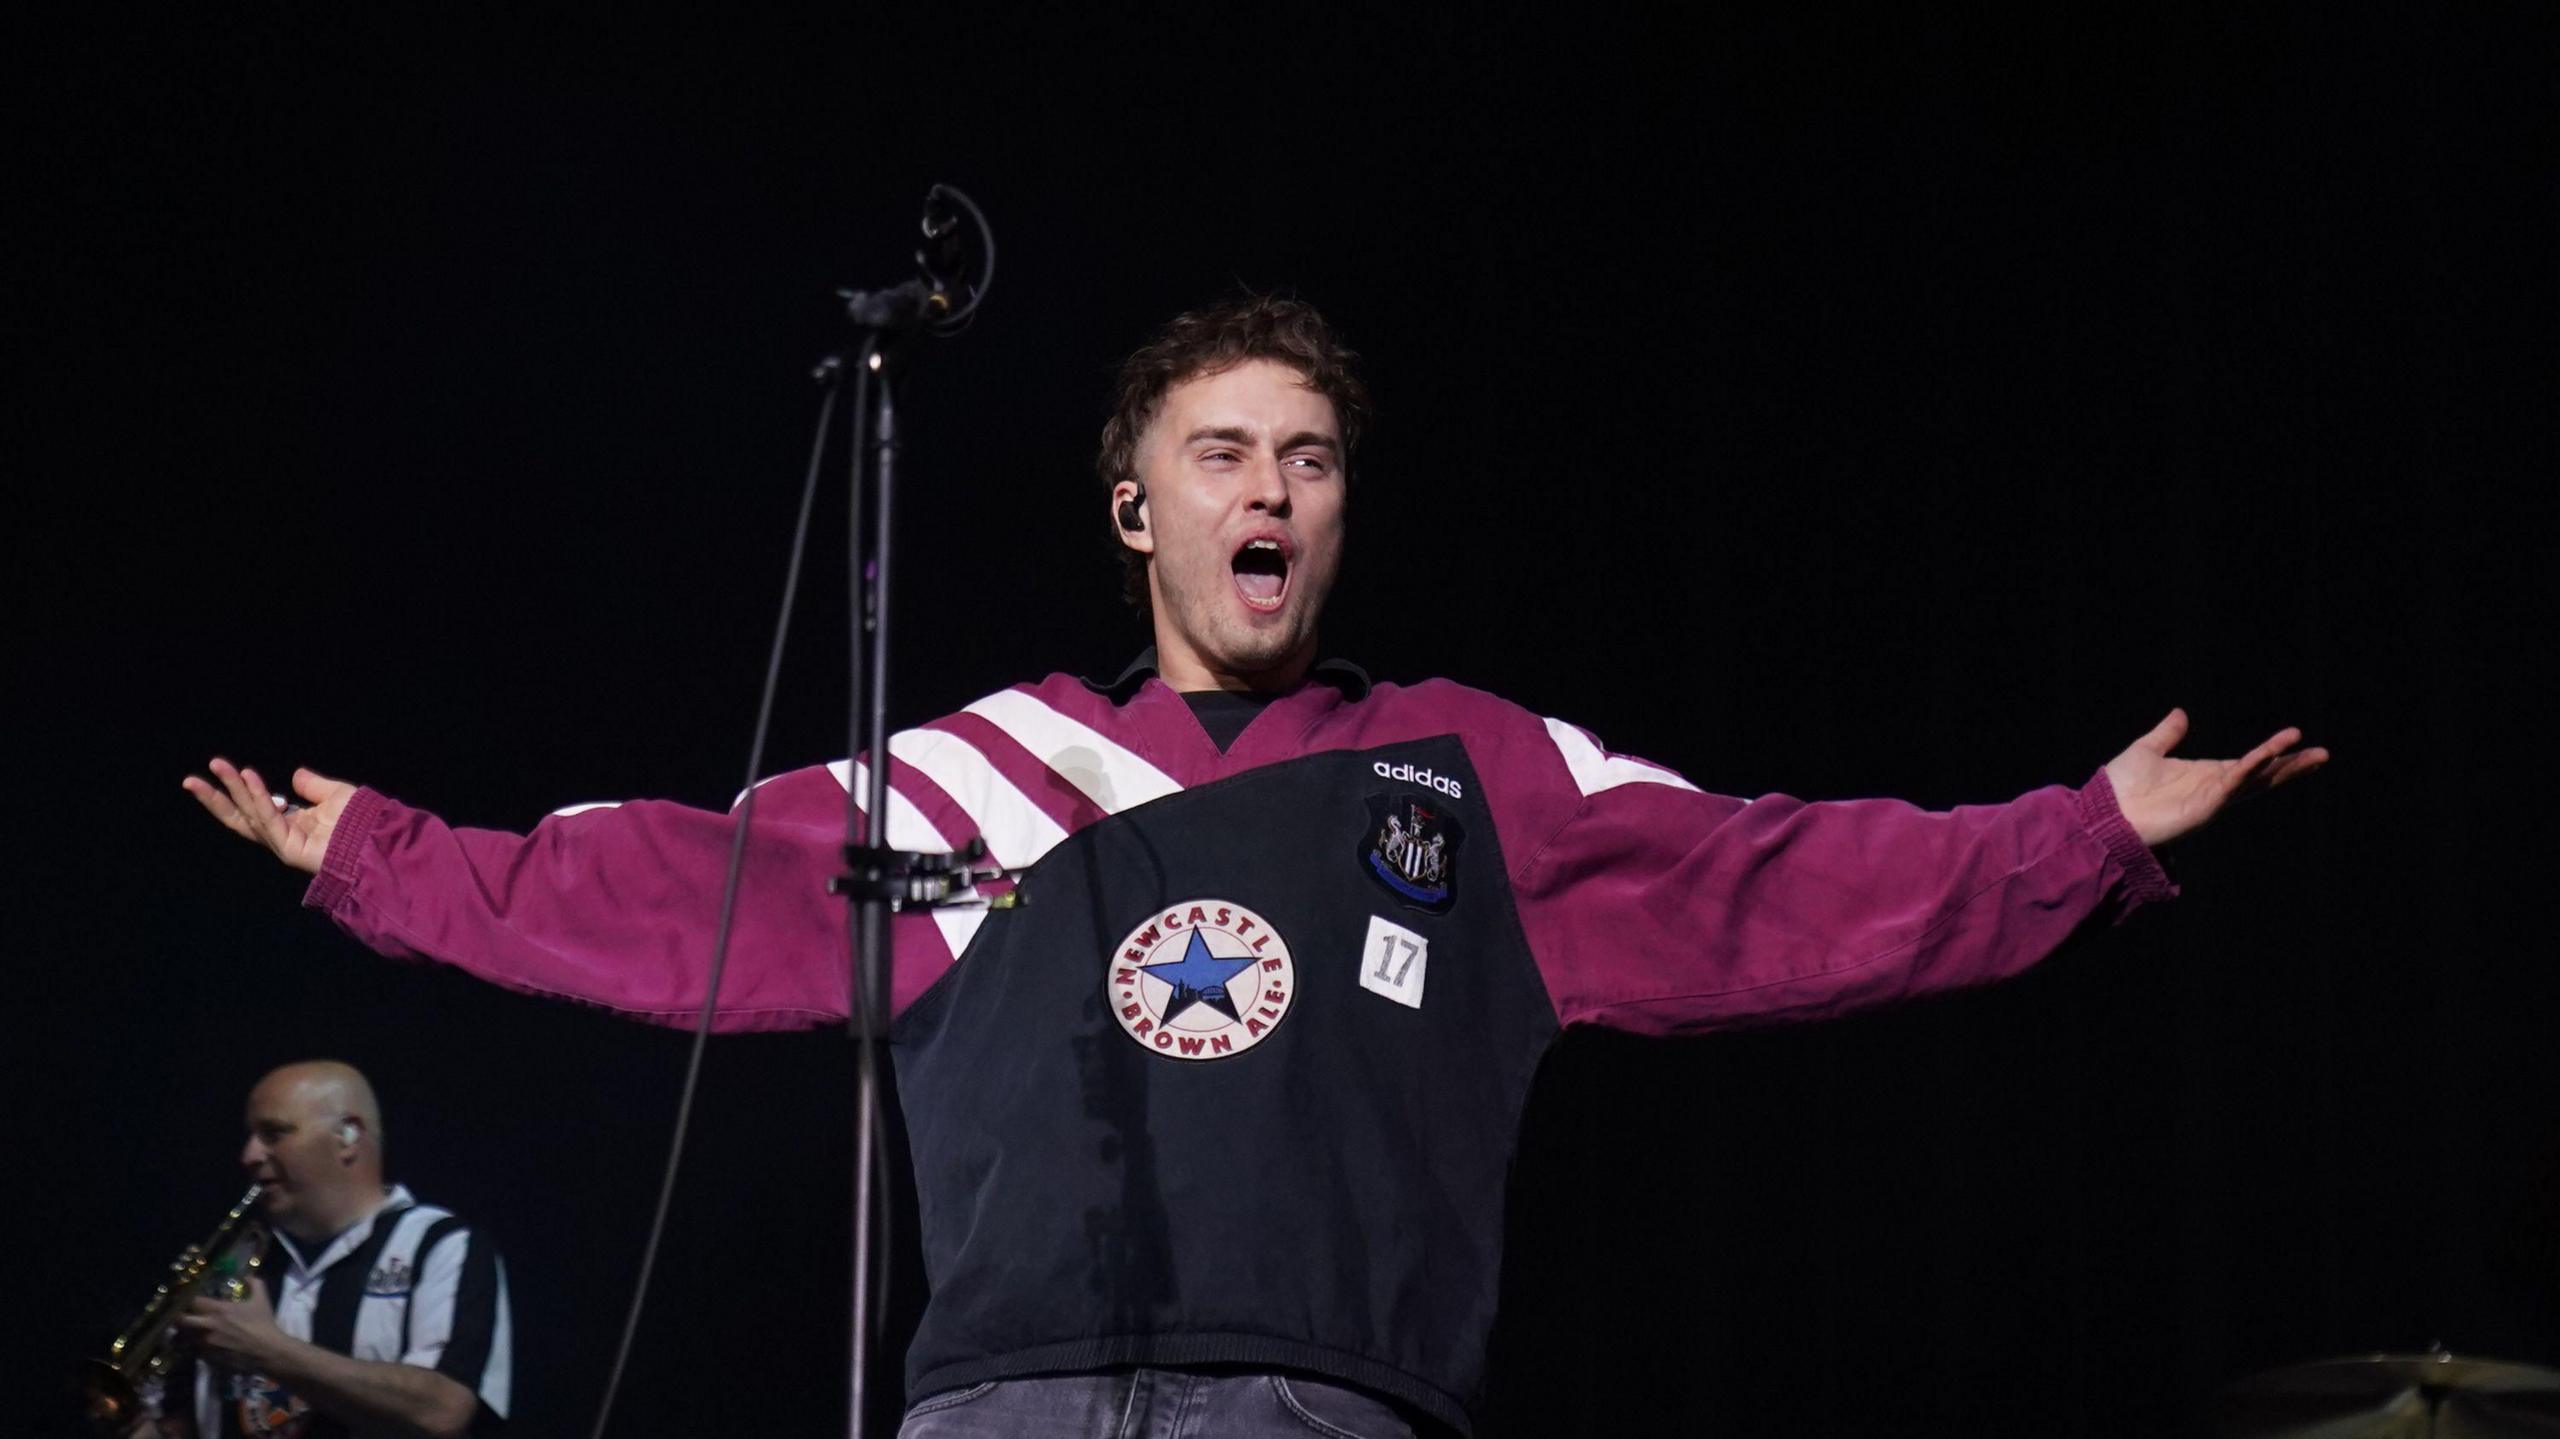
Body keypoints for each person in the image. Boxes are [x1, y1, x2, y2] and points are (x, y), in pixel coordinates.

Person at [184, 296, 2323, 1436]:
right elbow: (668, 883)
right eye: (1221, 451)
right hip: (996, 1395)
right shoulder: (992, 770)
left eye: (1306, 457)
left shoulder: (1469, 771)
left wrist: (2068, 836)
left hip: (1319, 1391)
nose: (1268, 486)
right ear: (1138, 508)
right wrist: (376, 852)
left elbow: (1767, 880)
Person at [138, 1061, 511, 1439]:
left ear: (348, 1136)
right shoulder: (237, 1263)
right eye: (250, 1136)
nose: (249, 1155)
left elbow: (442, 1410)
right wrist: (129, 1420)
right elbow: (182, 1426)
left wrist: (266, 1349)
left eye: (274, 1133)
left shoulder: (439, 1245)